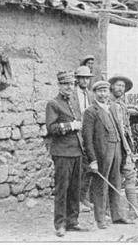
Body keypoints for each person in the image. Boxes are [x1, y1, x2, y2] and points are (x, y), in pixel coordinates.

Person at [82, 81, 134, 229]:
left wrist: (124, 151)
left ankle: (117, 215)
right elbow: (87, 139)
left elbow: (119, 129)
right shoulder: (90, 112)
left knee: (116, 182)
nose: (103, 94)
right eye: (100, 91)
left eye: (105, 91)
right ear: (94, 93)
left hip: (116, 148)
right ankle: (100, 219)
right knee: (100, 185)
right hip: (102, 153)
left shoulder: (112, 108)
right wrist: (92, 160)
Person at [46, 71, 88, 237]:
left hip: (76, 151)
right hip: (62, 152)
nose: (69, 87)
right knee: (62, 189)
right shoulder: (53, 103)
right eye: (65, 84)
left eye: (71, 84)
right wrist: (71, 126)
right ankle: (60, 224)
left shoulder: (74, 103)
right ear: (59, 85)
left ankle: (73, 221)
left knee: (75, 189)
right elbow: (51, 128)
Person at [109, 75, 138, 219]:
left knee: (130, 176)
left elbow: (126, 127)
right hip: (112, 146)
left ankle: (134, 209)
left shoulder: (122, 105)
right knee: (113, 178)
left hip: (124, 145)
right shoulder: (109, 104)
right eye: (118, 85)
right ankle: (110, 212)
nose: (120, 88)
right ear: (112, 87)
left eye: (123, 86)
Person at [74, 65, 95, 212]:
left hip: (88, 134)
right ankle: (75, 201)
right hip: (75, 134)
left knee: (88, 167)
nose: (85, 81)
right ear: (77, 79)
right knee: (78, 168)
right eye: (82, 78)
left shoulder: (90, 95)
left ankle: (83, 197)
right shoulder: (72, 95)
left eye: (87, 78)